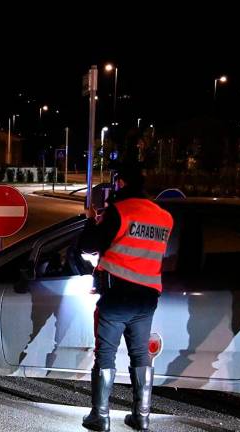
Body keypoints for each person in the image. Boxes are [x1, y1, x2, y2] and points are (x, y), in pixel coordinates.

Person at [79, 162, 174, 432]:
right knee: (140, 355)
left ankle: (100, 416)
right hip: (147, 298)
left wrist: (90, 219)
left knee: (106, 354)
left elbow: (90, 245)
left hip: (118, 295)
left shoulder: (119, 211)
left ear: (120, 184)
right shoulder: (164, 216)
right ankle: (141, 416)